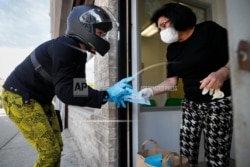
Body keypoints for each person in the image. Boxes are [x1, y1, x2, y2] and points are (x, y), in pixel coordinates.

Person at [1, 5, 133, 167]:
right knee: (49, 152)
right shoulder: (65, 47)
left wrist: (105, 95)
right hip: (18, 97)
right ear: (85, 27)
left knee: (57, 147)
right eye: (99, 33)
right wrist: (105, 94)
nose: (102, 39)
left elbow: (78, 90)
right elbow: (65, 93)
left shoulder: (77, 52)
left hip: (39, 100)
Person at [139, 3, 232, 167]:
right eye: (160, 28)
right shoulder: (172, 50)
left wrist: (222, 73)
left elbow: (239, 54)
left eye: (164, 25)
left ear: (177, 18)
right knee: (186, 152)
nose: (162, 31)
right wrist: (148, 91)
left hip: (218, 102)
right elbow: (171, 81)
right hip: (190, 104)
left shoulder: (209, 30)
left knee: (217, 154)